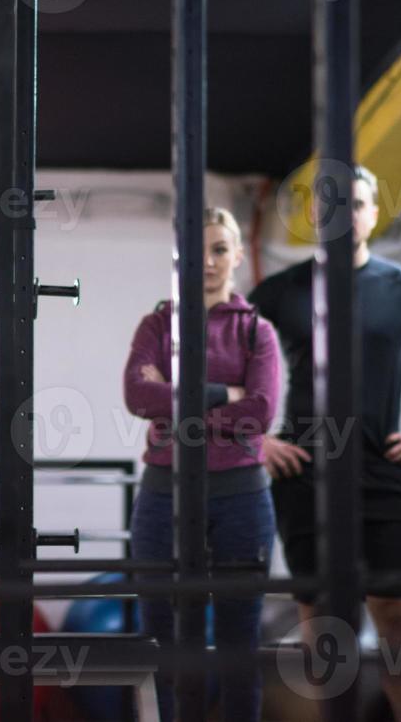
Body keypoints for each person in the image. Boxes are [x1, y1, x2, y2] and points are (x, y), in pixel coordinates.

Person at [249, 164, 401, 722]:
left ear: (372, 213)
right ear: (315, 214)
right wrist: (255, 440)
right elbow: (221, 372)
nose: (345, 214)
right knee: (322, 622)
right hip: (304, 476)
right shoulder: (278, 292)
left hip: (381, 474)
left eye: (358, 203)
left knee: (396, 614)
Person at [122, 206, 282, 722]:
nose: (208, 261)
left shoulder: (258, 332)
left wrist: (178, 405)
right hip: (163, 494)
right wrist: (221, 395)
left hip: (240, 496)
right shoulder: (156, 323)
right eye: (196, 250)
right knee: (164, 645)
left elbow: (259, 412)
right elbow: (136, 396)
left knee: (239, 648)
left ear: (237, 255)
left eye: (219, 249)